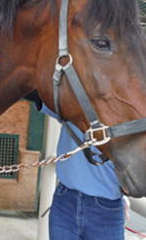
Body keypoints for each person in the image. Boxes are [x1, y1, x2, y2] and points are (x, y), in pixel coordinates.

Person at [38, 103, 125, 240]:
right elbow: (39, 95)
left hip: (107, 209)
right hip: (64, 202)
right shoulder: (73, 98)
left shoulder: (128, 106)